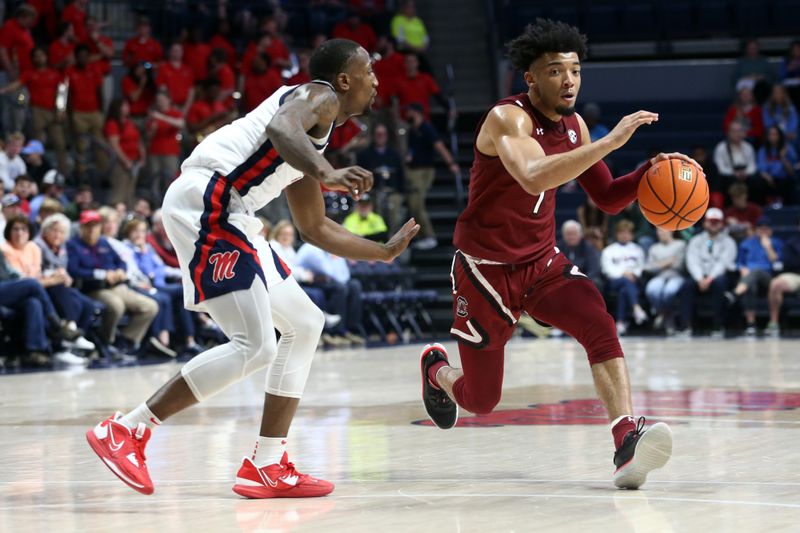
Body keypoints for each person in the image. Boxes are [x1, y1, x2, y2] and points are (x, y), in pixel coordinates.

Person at [85, 38, 418, 499]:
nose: (377, 81)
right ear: (344, 80)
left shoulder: (310, 140)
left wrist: (381, 251)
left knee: (305, 322)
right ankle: (125, 430)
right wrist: (327, 171)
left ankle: (266, 463)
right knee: (255, 345)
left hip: (233, 210)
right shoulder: (316, 95)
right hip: (210, 198)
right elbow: (284, 128)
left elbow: (316, 227)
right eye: (369, 72)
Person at [419, 19, 685, 489]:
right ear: (531, 78)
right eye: (556, 70)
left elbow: (605, 196)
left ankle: (626, 438)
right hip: (485, 271)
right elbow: (533, 176)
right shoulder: (508, 118)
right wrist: (608, 142)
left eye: (576, 70)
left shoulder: (575, 125)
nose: (569, 81)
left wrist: (651, 172)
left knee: (598, 321)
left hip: (541, 262)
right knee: (481, 400)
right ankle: (437, 370)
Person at [67, 209, 159, 355]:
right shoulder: (73, 245)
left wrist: (120, 271)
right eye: (88, 226)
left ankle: (126, 341)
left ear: (99, 227)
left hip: (116, 285)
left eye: (95, 226)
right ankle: (106, 341)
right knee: (116, 306)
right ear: (81, 227)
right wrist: (103, 274)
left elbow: (121, 262)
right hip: (93, 288)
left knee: (150, 306)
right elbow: (74, 271)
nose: (92, 230)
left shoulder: (104, 242)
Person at [0, 48, 67, 173]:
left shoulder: (55, 73)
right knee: (37, 145)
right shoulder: (28, 75)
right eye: (36, 56)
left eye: (42, 55)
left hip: (53, 112)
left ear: (46, 57)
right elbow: (18, 87)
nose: (39, 58)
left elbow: (62, 91)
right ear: (32, 59)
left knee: (60, 143)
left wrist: (61, 109)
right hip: (36, 112)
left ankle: (64, 173)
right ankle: (39, 171)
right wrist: (3, 90)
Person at [405, 102, 460, 250]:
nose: (407, 115)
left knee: (417, 203)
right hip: (413, 171)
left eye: (409, 112)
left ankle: (430, 237)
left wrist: (451, 163)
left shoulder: (426, 128)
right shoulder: (412, 130)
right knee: (413, 203)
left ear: (417, 113)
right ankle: (421, 236)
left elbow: (439, 146)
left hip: (424, 171)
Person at [730, 216, 783, 336]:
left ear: (770, 230)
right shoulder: (747, 243)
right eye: (760, 229)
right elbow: (740, 262)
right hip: (749, 278)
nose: (763, 232)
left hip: (768, 277)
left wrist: (768, 247)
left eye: (766, 229)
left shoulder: (776, 242)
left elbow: (778, 263)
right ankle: (751, 324)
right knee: (750, 285)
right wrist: (742, 269)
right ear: (756, 230)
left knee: (757, 271)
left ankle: (735, 294)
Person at [356, 123, 405, 232]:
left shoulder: (394, 154)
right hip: (372, 191)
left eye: (383, 134)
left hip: (392, 191)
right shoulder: (365, 154)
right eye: (378, 134)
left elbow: (401, 174)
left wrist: (401, 192)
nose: (380, 137)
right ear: (374, 136)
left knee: (394, 214)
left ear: (386, 136)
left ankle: (394, 237)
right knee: (374, 212)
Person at [601, 220, 648, 334]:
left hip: (634, 280)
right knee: (625, 282)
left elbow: (641, 266)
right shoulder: (609, 250)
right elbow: (606, 268)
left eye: (627, 233)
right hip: (614, 280)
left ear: (631, 235)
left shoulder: (637, 249)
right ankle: (636, 308)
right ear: (617, 234)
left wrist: (633, 274)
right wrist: (623, 273)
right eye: (621, 232)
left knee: (624, 290)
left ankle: (621, 322)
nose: (624, 235)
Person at [643, 228, 686, 335]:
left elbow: (679, 265)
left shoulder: (680, 244)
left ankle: (666, 318)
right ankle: (666, 315)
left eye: (662, 230)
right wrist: (667, 262)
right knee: (652, 289)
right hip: (659, 277)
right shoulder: (654, 248)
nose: (660, 233)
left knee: (669, 291)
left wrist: (659, 264)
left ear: (671, 231)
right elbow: (648, 268)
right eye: (658, 231)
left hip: (676, 276)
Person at [104, 98, 146, 206]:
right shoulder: (112, 124)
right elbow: (115, 145)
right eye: (124, 105)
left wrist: (142, 157)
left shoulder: (129, 122)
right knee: (119, 192)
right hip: (120, 163)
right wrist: (125, 161)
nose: (127, 108)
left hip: (134, 162)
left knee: (130, 191)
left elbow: (138, 140)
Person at [766, 217, 800, 337]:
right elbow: (789, 262)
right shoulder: (791, 243)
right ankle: (774, 322)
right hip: (796, 275)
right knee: (775, 284)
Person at [713, 120, 761, 204]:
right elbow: (720, 168)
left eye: (739, 131)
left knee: (757, 181)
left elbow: (752, 166)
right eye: (734, 131)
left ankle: (753, 206)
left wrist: (745, 173)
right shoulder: (721, 148)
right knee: (723, 181)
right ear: (728, 133)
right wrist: (734, 173)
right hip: (729, 176)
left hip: (745, 175)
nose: (737, 134)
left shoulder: (748, 147)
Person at [757, 126, 798, 206]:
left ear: (780, 136)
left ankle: (789, 210)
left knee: (791, 182)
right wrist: (767, 176)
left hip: (784, 179)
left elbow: (791, 171)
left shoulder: (788, 148)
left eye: (775, 134)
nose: (773, 137)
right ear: (767, 136)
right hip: (768, 179)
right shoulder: (763, 150)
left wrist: (782, 157)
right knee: (758, 182)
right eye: (770, 134)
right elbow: (761, 169)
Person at [556, 219, 602, 288]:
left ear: (580, 235)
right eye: (568, 234)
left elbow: (594, 269)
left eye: (574, 234)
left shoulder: (587, 247)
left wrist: (581, 280)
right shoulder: (558, 248)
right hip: (563, 281)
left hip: (584, 279)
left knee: (596, 282)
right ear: (563, 235)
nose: (571, 237)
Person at [156, 42, 195, 115]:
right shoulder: (163, 68)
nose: (177, 53)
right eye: (175, 50)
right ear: (170, 52)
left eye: (179, 50)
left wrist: (186, 108)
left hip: (186, 106)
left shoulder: (188, 69)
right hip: (169, 106)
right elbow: (162, 88)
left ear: (182, 52)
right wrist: (172, 105)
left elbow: (191, 90)